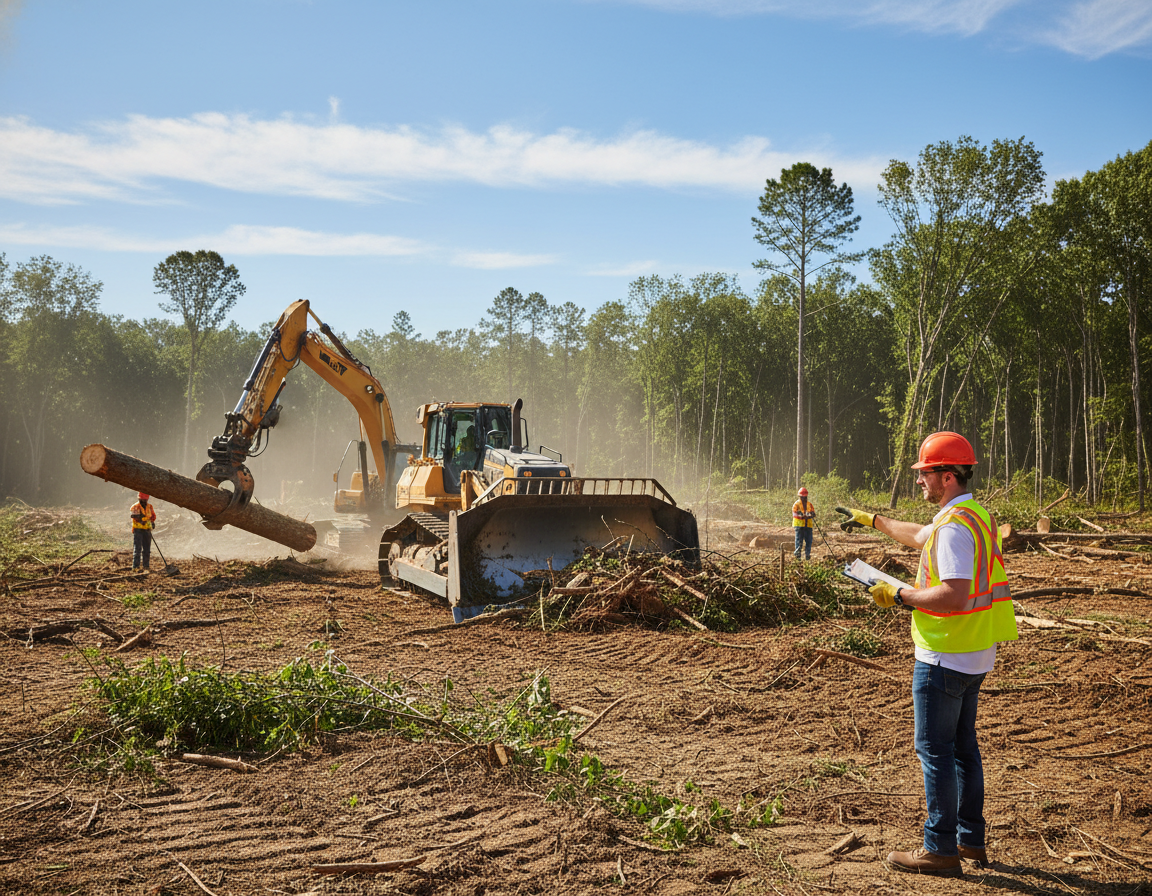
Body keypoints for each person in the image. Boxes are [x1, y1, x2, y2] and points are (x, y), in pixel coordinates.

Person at [836, 431, 1018, 877]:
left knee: (934, 750)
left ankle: (940, 848)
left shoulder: (955, 527)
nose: (920, 480)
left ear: (948, 474)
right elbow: (921, 535)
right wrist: (873, 520)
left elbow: (953, 595)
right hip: (974, 652)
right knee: (962, 749)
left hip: (944, 655)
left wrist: (900, 596)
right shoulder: (972, 515)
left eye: (926, 473)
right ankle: (970, 841)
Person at [130, 492, 156, 570]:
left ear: (147, 499)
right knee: (137, 549)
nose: (143, 501)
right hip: (138, 530)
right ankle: (136, 567)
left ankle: (146, 566)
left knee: (147, 549)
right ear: (139, 499)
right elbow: (134, 516)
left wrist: (152, 522)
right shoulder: (135, 507)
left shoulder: (150, 507)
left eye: (145, 500)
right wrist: (141, 519)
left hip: (147, 530)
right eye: (142, 500)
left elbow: (153, 516)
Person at [791, 487, 815, 560]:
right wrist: (802, 517)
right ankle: (798, 557)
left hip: (808, 526)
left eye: (805, 497)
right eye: (802, 497)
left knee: (809, 541)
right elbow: (795, 514)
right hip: (799, 526)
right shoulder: (796, 504)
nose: (804, 498)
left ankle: (807, 555)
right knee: (799, 541)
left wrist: (810, 515)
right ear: (800, 496)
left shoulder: (809, 504)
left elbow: (813, 514)